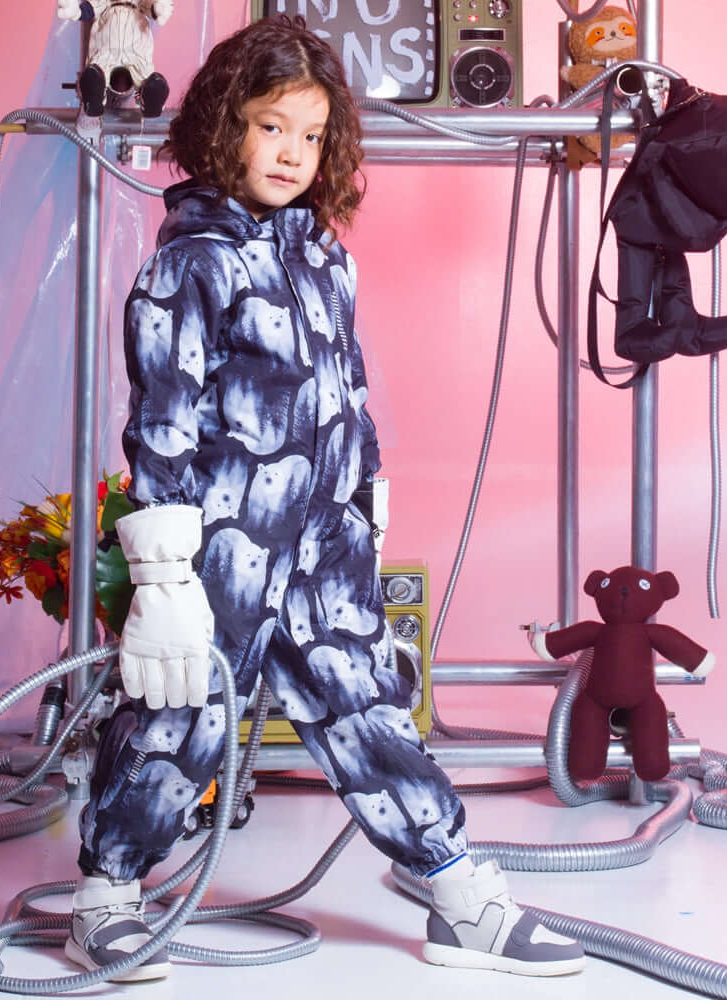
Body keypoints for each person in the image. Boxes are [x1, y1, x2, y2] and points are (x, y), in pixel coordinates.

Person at [65, 15, 586, 983]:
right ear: (224, 125)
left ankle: (457, 893)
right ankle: (107, 893)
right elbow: (164, 424)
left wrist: (364, 505)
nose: (290, 154)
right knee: (181, 716)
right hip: (221, 553)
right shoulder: (189, 264)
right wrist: (163, 574)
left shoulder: (323, 260)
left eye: (310, 135)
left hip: (323, 549)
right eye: (271, 127)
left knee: (367, 706)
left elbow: (348, 392)